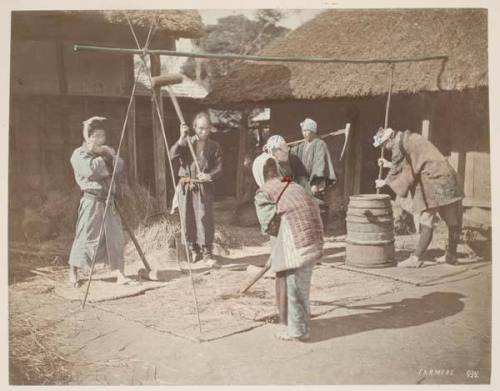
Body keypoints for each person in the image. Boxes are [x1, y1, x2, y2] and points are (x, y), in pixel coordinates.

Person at [253, 152, 323, 341]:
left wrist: (277, 251)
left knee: (290, 282)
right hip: (315, 233)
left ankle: (295, 329)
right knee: (301, 283)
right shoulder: (290, 182)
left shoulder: (264, 192)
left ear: (258, 174)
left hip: (296, 238)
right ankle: (298, 324)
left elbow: (268, 223)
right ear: (277, 169)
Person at [373, 127, 464, 268]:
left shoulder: (400, 144)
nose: (385, 148)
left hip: (434, 179)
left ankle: (416, 258)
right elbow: (413, 164)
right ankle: (451, 255)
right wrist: (387, 164)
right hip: (447, 176)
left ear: (390, 139)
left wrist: (384, 182)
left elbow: (400, 168)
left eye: (384, 145)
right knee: (452, 219)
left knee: (426, 218)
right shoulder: (409, 139)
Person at [68, 116, 132, 287]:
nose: (99, 140)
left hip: (109, 201)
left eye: (102, 136)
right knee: (85, 237)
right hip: (92, 202)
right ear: (87, 138)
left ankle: (119, 271)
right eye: (95, 136)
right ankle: (73, 271)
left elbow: (120, 165)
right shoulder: (79, 154)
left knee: (115, 237)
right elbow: (91, 170)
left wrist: (108, 155)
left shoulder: (106, 151)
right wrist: (106, 156)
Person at [170, 112, 223, 267]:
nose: (203, 132)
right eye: (200, 128)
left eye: (206, 128)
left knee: (205, 219)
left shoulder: (214, 146)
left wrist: (209, 176)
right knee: (188, 218)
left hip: (203, 187)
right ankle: (194, 251)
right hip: (187, 186)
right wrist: (181, 138)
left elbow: (220, 168)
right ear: (194, 128)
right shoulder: (186, 142)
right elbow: (172, 155)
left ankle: (207, 253)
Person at [290, 118, 336, 228]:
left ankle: (319, 229)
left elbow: (319, 164)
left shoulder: (320, 144)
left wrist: (316, 182)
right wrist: (278, 149)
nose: (304, 133)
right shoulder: (302, 146)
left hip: (316, 182)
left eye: (307, 131)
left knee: (318, 206)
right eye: (303, 131)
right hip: (304, 182)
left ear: (313, 131)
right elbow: (291, 154)